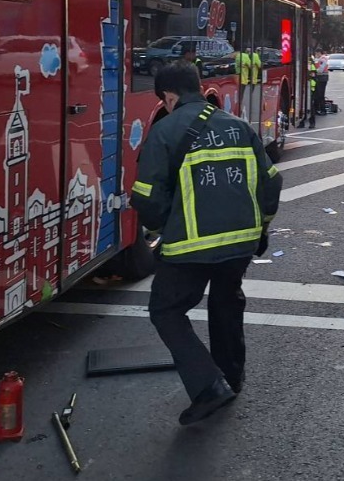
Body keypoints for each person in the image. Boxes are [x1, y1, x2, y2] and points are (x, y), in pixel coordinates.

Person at [131, 61, 282, 426]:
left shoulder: (165, 131)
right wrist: (260, 228)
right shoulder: (240, 126)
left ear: (168, 96)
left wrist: (165, 224)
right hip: (241, 243)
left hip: (190, 247)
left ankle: (208, 385)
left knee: (166, 311)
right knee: (226, 302)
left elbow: (147, 197)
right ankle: (231, 376)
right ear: (198, 86)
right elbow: (272, 181)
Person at [237, 46, 262, 121]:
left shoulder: (239, 56)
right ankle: (244, 99)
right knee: (247, 90)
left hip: (239, 77)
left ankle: (240, 100)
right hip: (247, 78)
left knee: (240, 92)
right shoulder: (255, 56)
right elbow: (258, 65)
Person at [312, 51, 329, 117]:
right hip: (322, 78)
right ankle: (318, 109)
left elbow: (320, 69)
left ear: (319, 53)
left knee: (320, 94)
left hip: (322, 78)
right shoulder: (321, 59)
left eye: (317, 53)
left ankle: (323, 110)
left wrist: (314, 71)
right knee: (318, 94)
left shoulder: (322, 59)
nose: (316, 55)